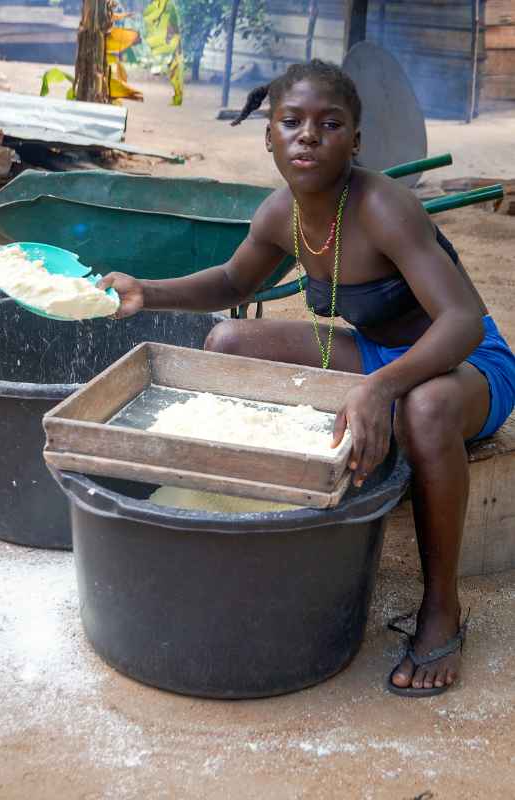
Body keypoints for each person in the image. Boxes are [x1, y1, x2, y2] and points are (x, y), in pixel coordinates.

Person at [98, 59, 515, 697]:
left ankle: (441, 610)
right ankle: (249, 521)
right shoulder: (280, 214)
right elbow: (234, 284)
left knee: (425, 410)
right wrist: (143, 292)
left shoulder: (384, 207)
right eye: (290, 122)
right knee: (230, 339)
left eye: (330, 123)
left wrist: (379, 388)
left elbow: (461, 321)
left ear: (357, 140)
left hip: (464, 365)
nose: (307, 136)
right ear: (268, 136)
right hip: (378, 352)